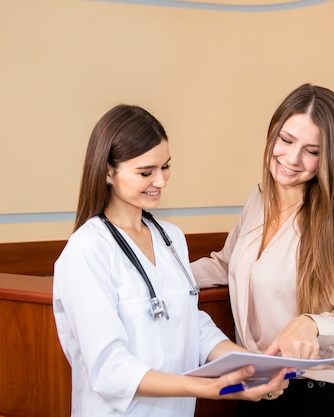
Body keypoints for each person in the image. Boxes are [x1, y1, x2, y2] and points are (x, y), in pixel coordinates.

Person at [53, 104, 289, 417]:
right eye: (145, 172)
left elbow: (191, 324)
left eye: (165, 167)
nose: (161, 181)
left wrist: (251, 365)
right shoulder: (87, 251)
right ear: (108, 171)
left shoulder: (171, 238)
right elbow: (109, 368)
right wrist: (203, 387)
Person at [191, 84, 334, 417]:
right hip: (259, 395)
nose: (293, 159)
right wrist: (151, 275)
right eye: (287, 140)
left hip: (321, 402)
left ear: (328, 158)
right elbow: (224, 265)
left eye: (312, 150)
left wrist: (314, 325)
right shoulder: (258, 201)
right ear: (272, 135)